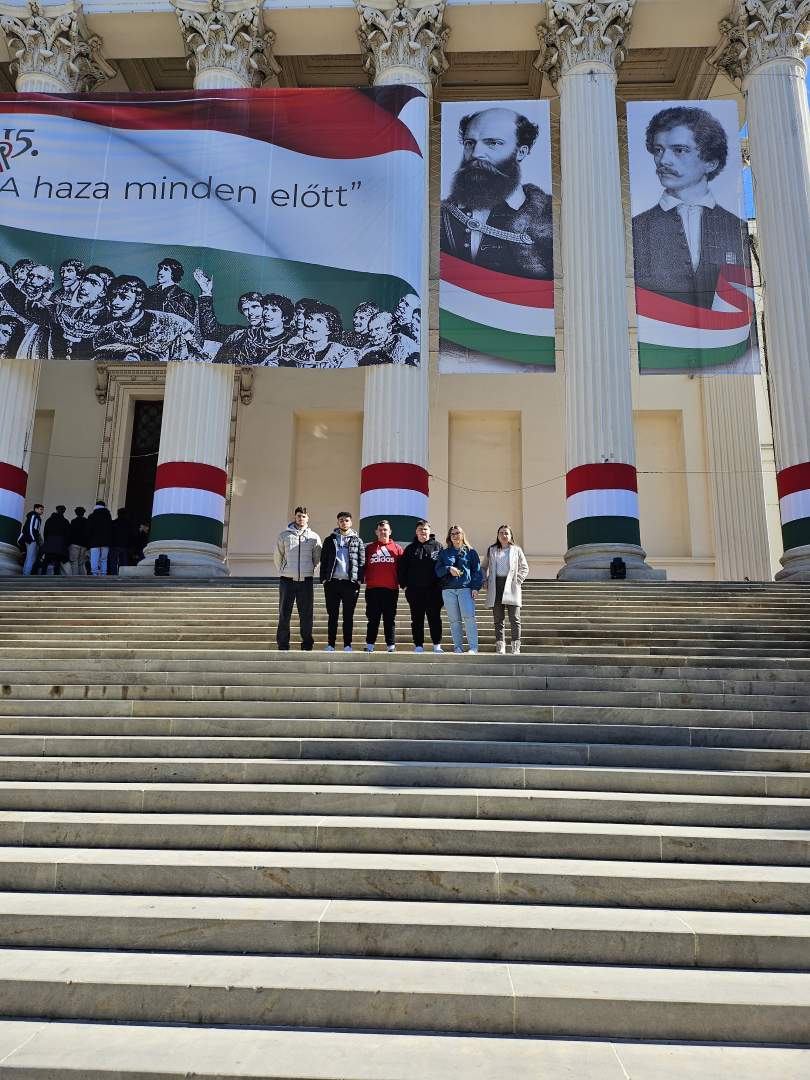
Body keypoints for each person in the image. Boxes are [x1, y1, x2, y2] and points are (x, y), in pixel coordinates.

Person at [632, 105, 748, 310]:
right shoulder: (638, 226)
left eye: (679, 150)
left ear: (711, 162)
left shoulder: (736, 228)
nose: (664, 161)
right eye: (658, 150)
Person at [440, 107, 553, 280]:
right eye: (470, 143)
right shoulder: (441, 215)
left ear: (521, 152)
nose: (476, 154)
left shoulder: (549, 216)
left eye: (493, 143)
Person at [92, 275, 204, 364]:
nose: (114, 302)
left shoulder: (172, 325)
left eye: (124, 297)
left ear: (138, 301)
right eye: (112, 297)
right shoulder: (104, 335)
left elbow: (190, 362)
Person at [275, 506, 321, 651]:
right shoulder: (284, 536)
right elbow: (278, 556)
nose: (301, 518)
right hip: (287, 580)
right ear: (295, 517)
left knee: (306, 615)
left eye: (303, 516)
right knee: (284, 613)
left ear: (308, 518)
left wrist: (309, 570)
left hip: (306, 581)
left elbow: (317, 558)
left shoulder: (314, 537)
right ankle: (283, 645)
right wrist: (284, 570)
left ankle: (307, 645)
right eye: (299, 516)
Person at [319, 511, 365, 652]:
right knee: (332, 616)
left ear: (351, 522)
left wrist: (359, 580)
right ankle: (331, 644)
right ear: (338, 522)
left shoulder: (357, 540)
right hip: (332, 583)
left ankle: (347, 645)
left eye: (346, 520)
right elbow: (324, 560)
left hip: (350, 584)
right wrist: (324, 580)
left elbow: (362, 561)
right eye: (341, 520)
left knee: (348, 616)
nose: (344, 522)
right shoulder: (330, 540)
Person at [482, 524, 529, 655]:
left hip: (511, 585)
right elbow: (483, 567)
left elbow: (524, 567)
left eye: (506, 533)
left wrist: (517, 580)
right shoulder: (491, 550)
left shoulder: (517, 550)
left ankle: (516, 646)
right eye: (501, 533)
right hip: (496, 585)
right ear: (498, 535)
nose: (504, 535)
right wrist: (484, 580)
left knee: (514, 618)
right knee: (498, 618)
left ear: (510, 535)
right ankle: (500, 646)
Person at [398, 520, 443, 653]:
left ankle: (437, 645)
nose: (423, 531)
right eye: (420, 529)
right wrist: (404, 585)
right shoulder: (410, 548)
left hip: (434, 591)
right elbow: (402, 568)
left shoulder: (438, 547)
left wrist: (441, 586)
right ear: (416, 532)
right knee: (417, 619)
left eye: (425, 529)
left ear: (429, 531)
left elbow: (443, 566)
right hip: (414, 591)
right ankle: (418, 645)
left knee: (435, 618)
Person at [436, 524, 482, 654]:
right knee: (454, 620)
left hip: (465, 588)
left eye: (458, 533)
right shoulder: (444, 553)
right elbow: (438, 571)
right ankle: (458, 647)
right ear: (449, 537)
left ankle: (473, 647)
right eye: (453, 534)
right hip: (448, 590)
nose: (455, 536)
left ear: (462, 535)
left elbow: (477, 571)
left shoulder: (471, 552)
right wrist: (448, 568)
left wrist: (475, 587)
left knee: (469, 617)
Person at [364, 519, 404, 653]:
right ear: (376, 532)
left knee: (389, 619)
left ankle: (391, 645)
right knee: (373, 619)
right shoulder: (369, 548)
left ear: (390, 531)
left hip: (391, 590)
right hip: (372, 590)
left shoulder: (397, 548)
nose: (383, 532)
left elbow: (403, 569)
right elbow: (362, 566)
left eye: (385, 530)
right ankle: (370, 644)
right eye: (380, 530)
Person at [279, 303, 357, 369]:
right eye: (309, 318)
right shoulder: (291, 350)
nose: (309, 324)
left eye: (319, 321)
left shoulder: (344, 355)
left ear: (330, 329)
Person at [145, 258, 196, 322]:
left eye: (166, 269)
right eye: (160, 268)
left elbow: (187, 322)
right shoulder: (149, 291)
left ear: (174, 273)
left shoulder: (184, 297)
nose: (160, 272)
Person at [39, 504, 70, 575]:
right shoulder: (65, 521)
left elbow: (45, 532)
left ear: (56, 510)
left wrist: (46, 541)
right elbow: (67, 535)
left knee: (46, 560)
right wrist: (65, 545)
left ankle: (42, 575)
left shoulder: (49, 520)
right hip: (60, 544)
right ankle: (56, 576)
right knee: (57, 561)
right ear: (64, 511)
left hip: (49, 542)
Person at [87, 499, 113, 576]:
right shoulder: (108, 516)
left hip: (94, 542)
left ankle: (94, 574)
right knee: (104, 559)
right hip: (106, 542)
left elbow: (88, 530)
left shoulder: (92, 516)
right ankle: (103, 574)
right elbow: (111, 529)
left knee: (94, 559)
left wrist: (88, 540)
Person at [18, 502, 43, 576]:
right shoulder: (33, 516)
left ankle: (25, 573)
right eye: (41, 509)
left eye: (42, 509)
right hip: (31, 540)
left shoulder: (38, 518)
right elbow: (30, 528)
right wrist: (33, 539)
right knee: (31, 558)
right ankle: (26, 575)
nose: (42, 511)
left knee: (29, 558)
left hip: (32, 540)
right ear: (36, 509)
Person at [109, 507, 134, 575]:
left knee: (113, 562)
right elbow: (131, 536)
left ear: (118, 514)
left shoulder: (114, 523)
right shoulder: (129, 524)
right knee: (124, 563)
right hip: (125, 546)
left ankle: (113, 575)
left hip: (114, 545)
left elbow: (110, 534)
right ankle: (123, 575)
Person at [68, 506, 90, 576]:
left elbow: (70, 533)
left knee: (74, 562)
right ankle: (82, 578)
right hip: (84, 545)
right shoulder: (87, 521)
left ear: (76, 513)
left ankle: (75, 579)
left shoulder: (73, 521)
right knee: (81, 563)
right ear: (84, 513)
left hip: (74, 544)